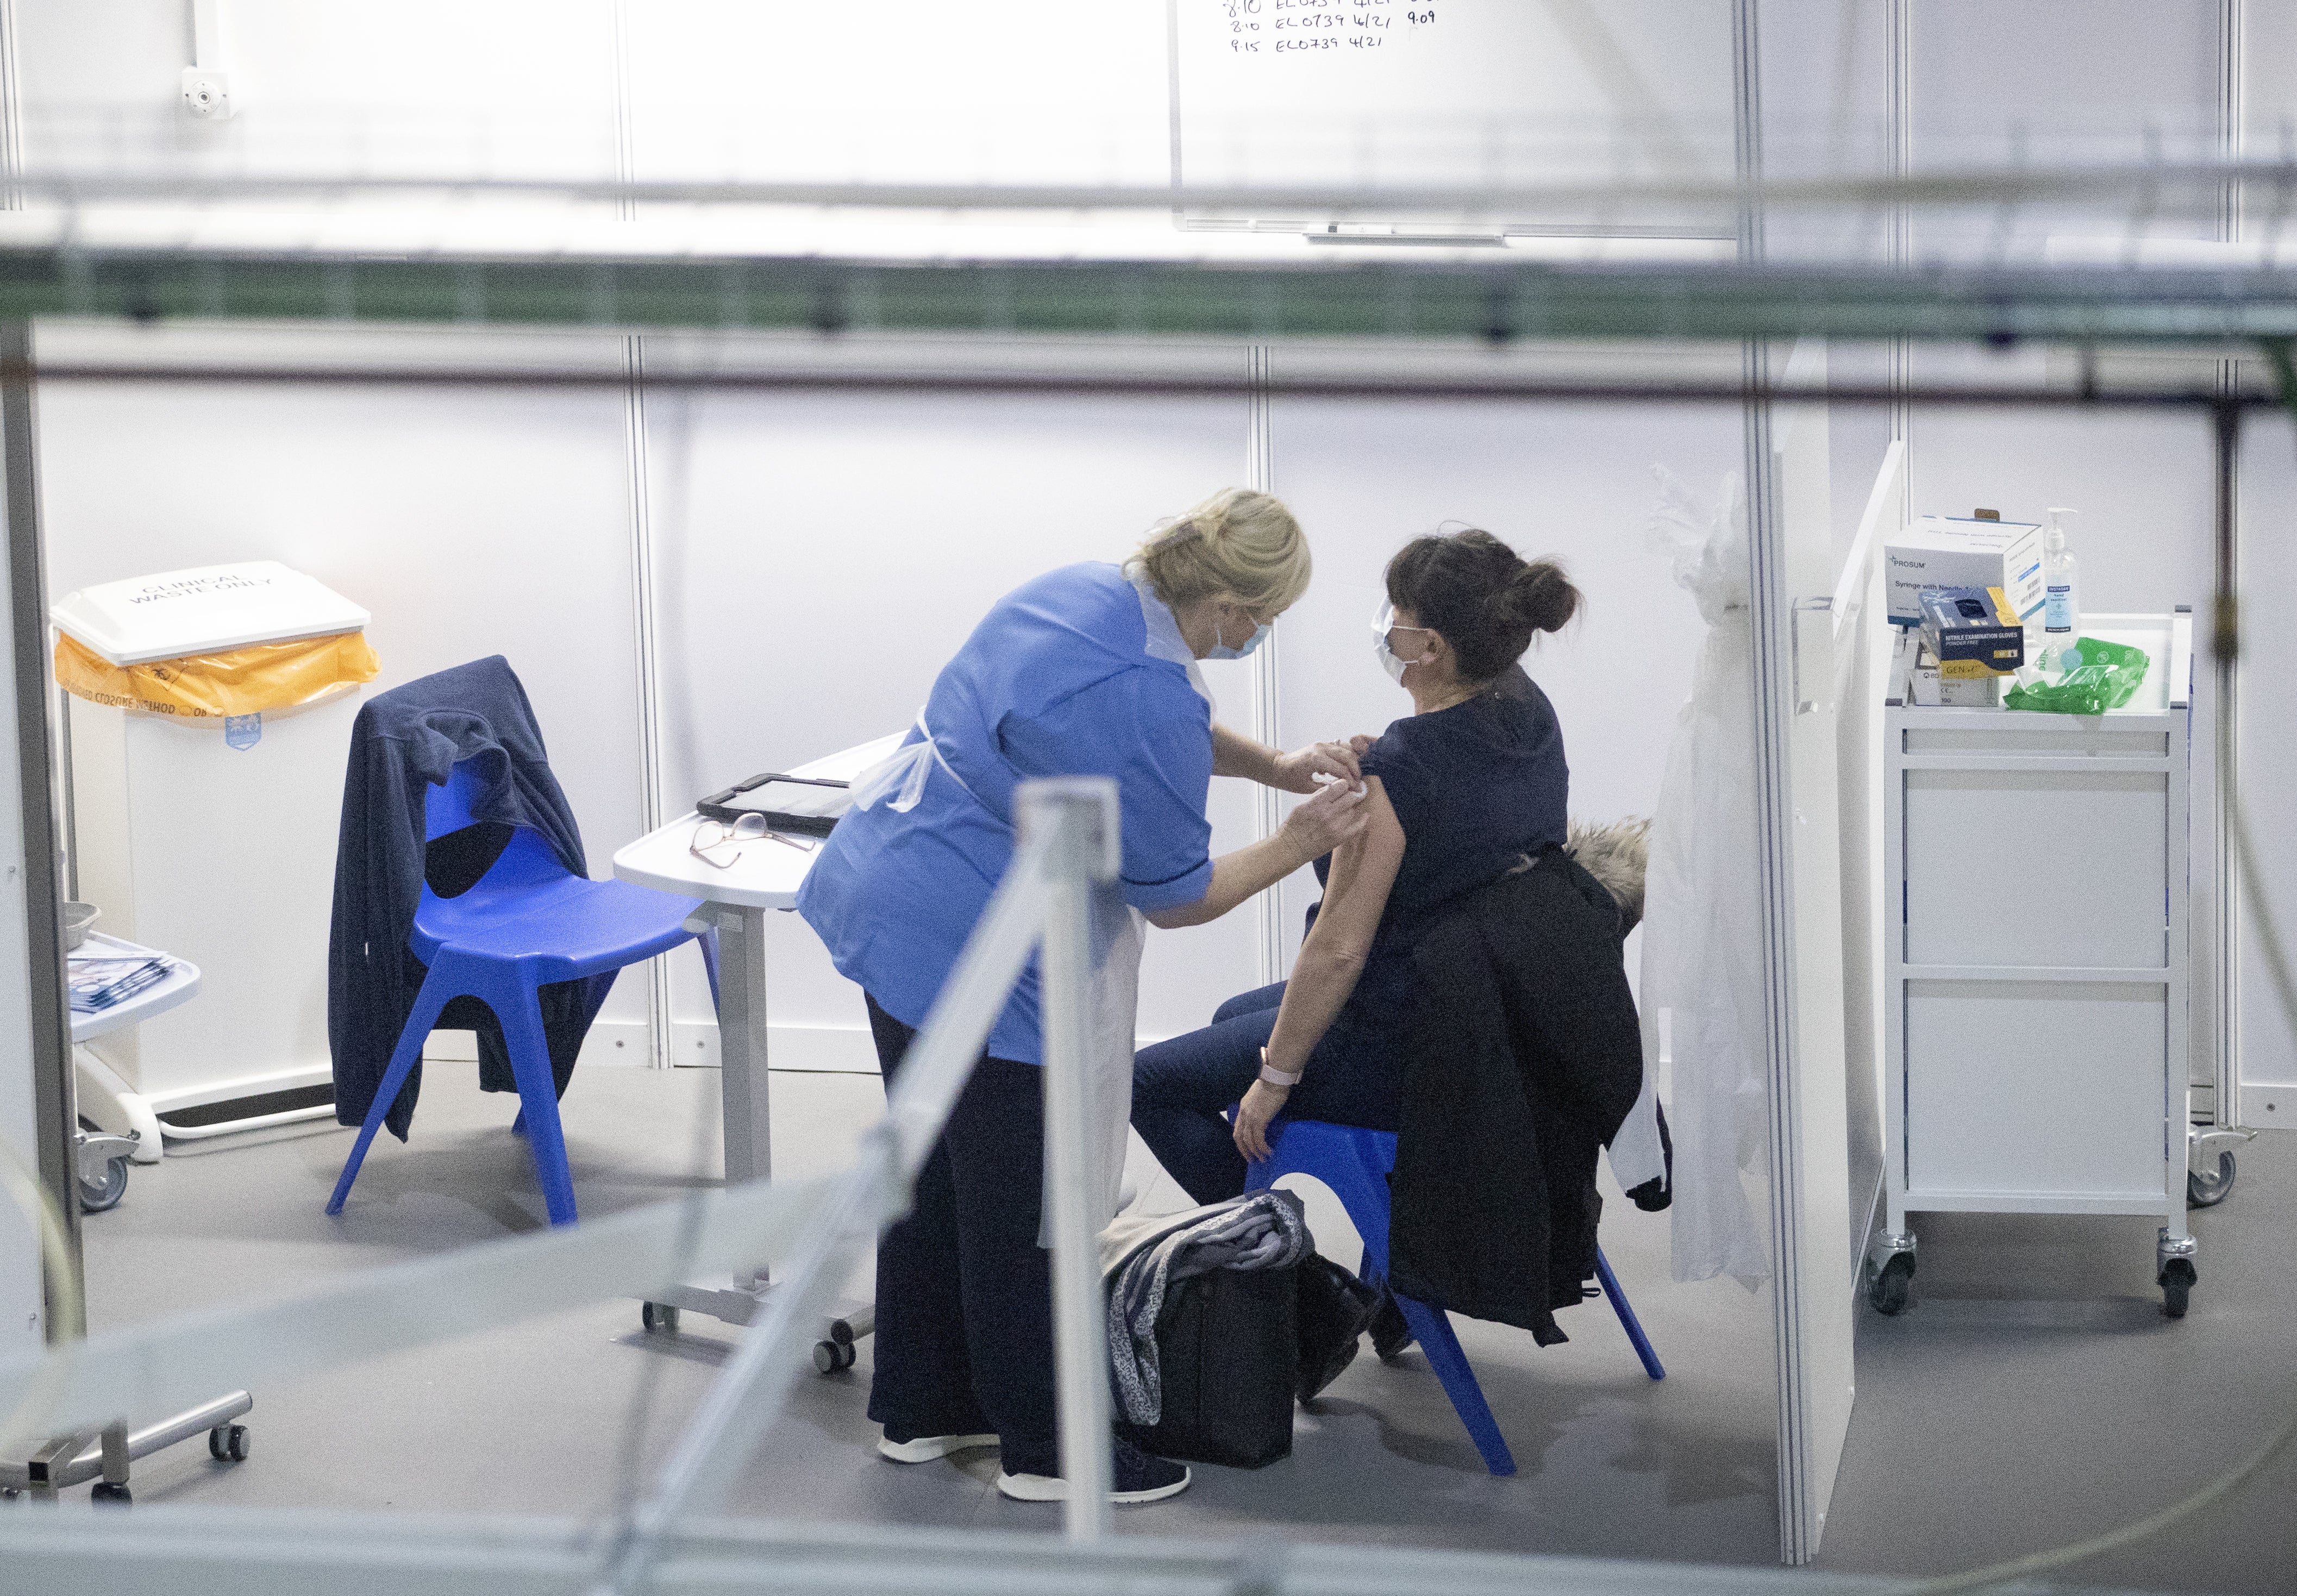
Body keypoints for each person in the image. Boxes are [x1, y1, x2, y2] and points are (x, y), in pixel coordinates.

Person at [797, 487, 1370, 1506]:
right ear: (1234, 606)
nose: (1258, 636)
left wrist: (1275, 766)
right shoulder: (1144, 689)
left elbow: (1162, 724)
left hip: (892, 885)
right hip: (973, 934)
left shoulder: (1085, 592)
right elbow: (1180, 897)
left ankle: (925, 1410)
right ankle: (1049, 1451)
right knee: (1029, 1208)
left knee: (932, 1175)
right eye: (1264, 618)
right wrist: (1300, 840)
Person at [1131, 527, 1581, 1206]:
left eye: (1396, 613)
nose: (1385, 625)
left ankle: (1295, 1281)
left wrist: (1274, 1081)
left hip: (1403, 1044)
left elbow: (1339, 950)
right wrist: (1387, 777)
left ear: (1431, 647)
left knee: (1149, 1083)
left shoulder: (1403, 764)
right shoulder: (1527, 713)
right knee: (1233, 1013)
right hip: (1481, 1014)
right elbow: (1460, 820)